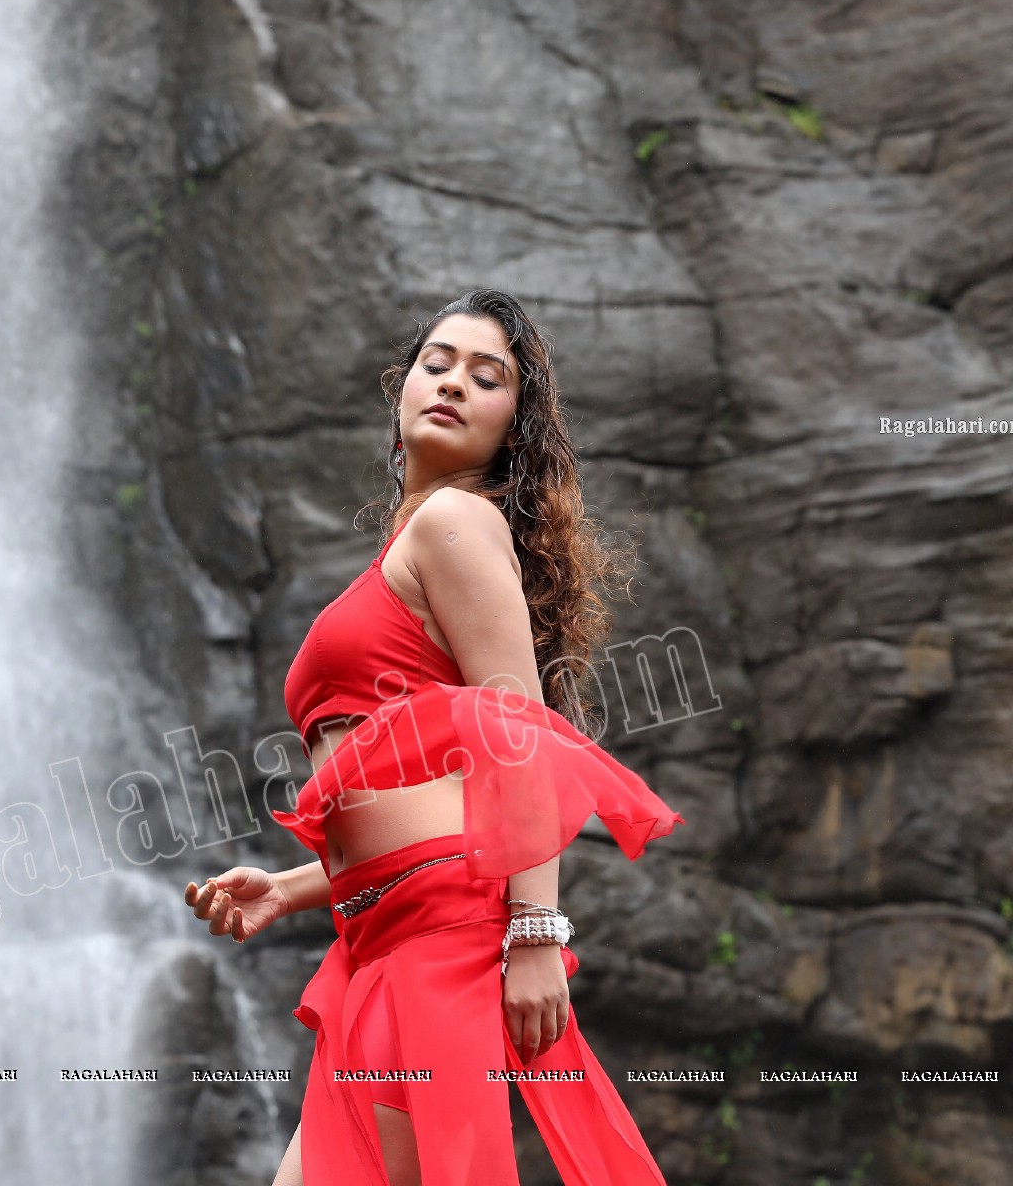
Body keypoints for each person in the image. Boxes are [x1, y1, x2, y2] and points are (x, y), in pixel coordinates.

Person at [183, 290, 685, 1185]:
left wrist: (534, 930)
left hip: (441, 940)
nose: (453, 383)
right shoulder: (410, 546)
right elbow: (417, 787)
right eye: (437, 363)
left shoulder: (453, 523)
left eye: (486, 378)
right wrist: (294, 890)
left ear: (513, 427)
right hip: (378, 940)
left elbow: (519, 730)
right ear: (403, 387)